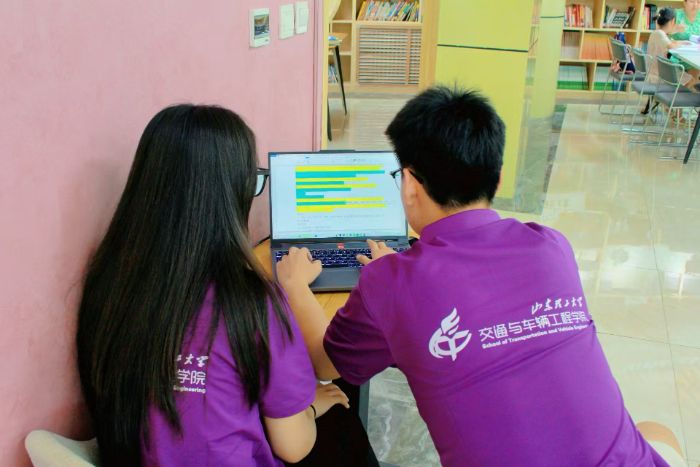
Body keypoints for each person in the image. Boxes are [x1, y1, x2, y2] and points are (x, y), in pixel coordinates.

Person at [277, 87, 673, 466]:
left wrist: (296, 285)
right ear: (497, 179)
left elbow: (325, 365)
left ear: (410, 185)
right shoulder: (552, 246)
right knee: (658, 431)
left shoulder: (391, 283)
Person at [76, 104, 349, 467]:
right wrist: (310, 407)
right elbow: (294, 446)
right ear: (233, 192)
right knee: (345, 431)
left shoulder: (108, 284)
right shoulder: (248, 303)